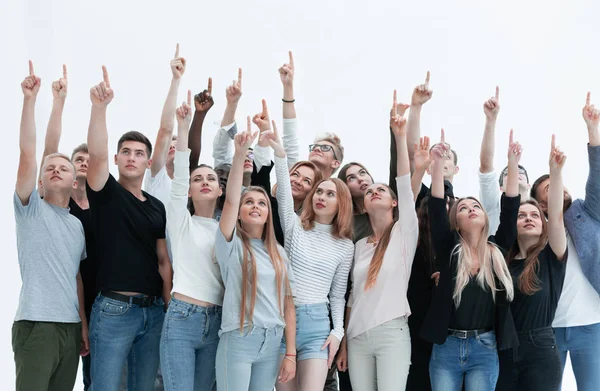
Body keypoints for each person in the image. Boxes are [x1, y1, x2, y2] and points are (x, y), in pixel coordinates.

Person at [86, 66, 172, 391]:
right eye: (126, 153)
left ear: (149, 162)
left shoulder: (156, 206)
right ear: (117, 159)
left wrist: (165, 309)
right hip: (113, 310)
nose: (132, 158)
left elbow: (163, 261)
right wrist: (100, 108)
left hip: (153, 313)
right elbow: (95, 155)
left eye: (139, 154)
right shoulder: (106, 193)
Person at [420, 132, 522, 391]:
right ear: (455, 221)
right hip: (447, 347)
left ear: (486, 218)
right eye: (463, 208)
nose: (472, 209)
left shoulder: (496, 250)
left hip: (484, 348)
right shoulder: (449, 249)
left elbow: (510, 209)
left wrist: (511, 163)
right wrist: (437, 167)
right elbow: (435, 207)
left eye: (475, 206)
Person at [13, 61, 87, 391]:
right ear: (41, 180)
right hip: (36, 325)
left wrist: (82, 325)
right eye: (50, 168)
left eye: (64, 167)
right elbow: (32, 154)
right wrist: (33, 101)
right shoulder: (31, 209)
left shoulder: (77, 226)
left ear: (75, 182)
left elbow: (75, 278)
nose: (55, 169)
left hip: (70, 330)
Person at [265, 120, 354, 391]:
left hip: (318, 324)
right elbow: (283, 189)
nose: (321, 197)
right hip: (282, 319)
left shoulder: (345, 246)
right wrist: (280, 153)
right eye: (318, 191)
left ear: (341, 203)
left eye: (330, 194)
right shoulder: (293, 226)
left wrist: (337, 332)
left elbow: (338, 295)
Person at [336, 109, 418, 390]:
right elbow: (351, 297)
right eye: (370, 192)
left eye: (382, 190)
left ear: (394, 203)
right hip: (357, 336)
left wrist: (399, 134)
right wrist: (345, 342)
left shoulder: (404, 232)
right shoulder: (358, 245)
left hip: (391, 332)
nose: (374, 192)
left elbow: (405, 184)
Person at [215, 122, 296, 390]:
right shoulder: (231, 244)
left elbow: (288, 305)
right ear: (239, 211)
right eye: (248, 202)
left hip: (272, 342)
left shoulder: (279, 254)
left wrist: (290, 353)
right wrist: (239, 156)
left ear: (268, 213)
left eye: (262, 203)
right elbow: (229, 200)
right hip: (239, 338)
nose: (256, 206)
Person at [529, 92, 600, 391]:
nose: (558, 189)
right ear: (541, 204)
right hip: (551, 327)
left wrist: (592, 130)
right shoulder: (537, 233)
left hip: (591, 323)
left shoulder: (588, 211)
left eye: (557, 182)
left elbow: (597, 175)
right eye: (548, 189)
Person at [159, 93, 225, 390]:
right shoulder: (180, 221)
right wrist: (183, 126)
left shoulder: (227, 230)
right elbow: (181, 175)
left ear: (220, 190)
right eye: (198, 179)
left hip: (217, 321)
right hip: (182, 318)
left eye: (211, 178)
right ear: (188, 190)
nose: (204, 182)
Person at [497, 135, 568, 391]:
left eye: (535, 215)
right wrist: (512, 162)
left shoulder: (552, 256)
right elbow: (508, 207)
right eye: (521, 215)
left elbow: (557, 217)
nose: (529, 219)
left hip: (540, 350)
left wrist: (555, 172)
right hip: (504, 350)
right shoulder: (502, 258)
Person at [145, 44, 214, 204]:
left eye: (176, 146)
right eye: (170, 146)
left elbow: (192, 154)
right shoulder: (156, 177)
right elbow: (165, 131)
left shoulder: (190, 184)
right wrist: (176, 80)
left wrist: (200, 114)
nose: (172, 147)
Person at [478, 86, 531, 233]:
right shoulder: (493, 204)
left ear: (529, 184)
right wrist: (491, 120)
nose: (516, 172)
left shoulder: (538, 215)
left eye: (520, 171)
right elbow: (486, 165)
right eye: (508, 173)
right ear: (500, 188)